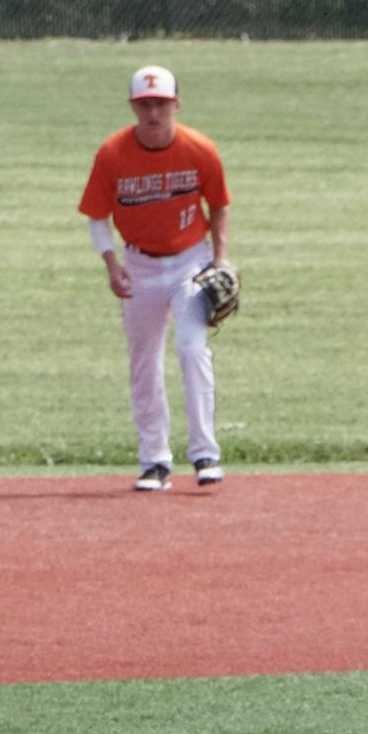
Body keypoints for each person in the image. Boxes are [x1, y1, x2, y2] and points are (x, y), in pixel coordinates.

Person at [78, 65, 232, 492]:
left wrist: (220, 260)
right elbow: (96, 217)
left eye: (161, 104)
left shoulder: (199, 149)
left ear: (176, 105)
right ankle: (154, 462)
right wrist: (112, 265)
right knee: (144, 363)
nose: (153, 113)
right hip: (139, 266)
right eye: (145, 104)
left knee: (190, 349)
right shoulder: (112, 154)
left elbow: (218, 205)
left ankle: (205, 454)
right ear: (133, 106)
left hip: (190, 263)